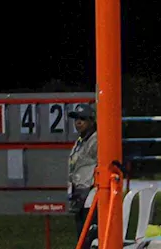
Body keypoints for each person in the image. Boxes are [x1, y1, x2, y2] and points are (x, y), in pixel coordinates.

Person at [67, 103, 98, 249]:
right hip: (79, 195)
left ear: (91, 121)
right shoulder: (81, 140)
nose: (78, 122)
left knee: (89, 239)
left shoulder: (96, 140)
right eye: (76, 119)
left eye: (82, 119)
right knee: (82, 237)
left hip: (91, 195)